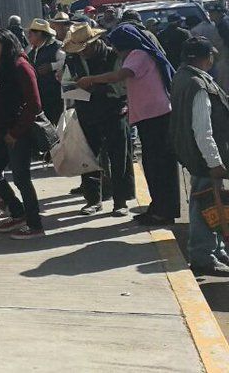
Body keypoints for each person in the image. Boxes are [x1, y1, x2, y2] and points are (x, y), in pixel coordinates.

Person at [78, 24, 179, 226]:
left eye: (116, 45)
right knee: (153, 165)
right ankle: (158, 207)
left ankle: (163, 211)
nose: (114, 50)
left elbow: (118, 76)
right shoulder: (138, 54)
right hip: (150, 117)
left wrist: (91, 79)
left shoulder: (138, 55)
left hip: (155, 118)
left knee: (158, 167)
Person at [169, 37, 229, 276]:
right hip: (205, 159)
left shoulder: (183, 77)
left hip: (194, 155)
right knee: (205, 206)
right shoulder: (197, 84)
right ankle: (203, 256)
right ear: (205, 57)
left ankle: (216, 248)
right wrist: (214, 162)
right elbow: (202, 130)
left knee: (214, 203)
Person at [61, 24, 132, 217]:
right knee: (88, 158)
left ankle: (120, 202)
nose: (82, 53)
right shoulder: (73, 58)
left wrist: (92, 83)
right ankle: (93, 200)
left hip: (113, 112)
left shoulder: (112, 55)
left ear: (95, 43)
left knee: (119, 159)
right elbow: (67, 84)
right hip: (86, 113)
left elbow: (120, 86)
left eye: (85, 48)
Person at [0, 29, 45, 239]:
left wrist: (16, 132)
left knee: (21, 178)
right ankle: (18, 212)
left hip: (18, 131)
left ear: (6, 47)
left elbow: (34, 104)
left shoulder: (21, 66)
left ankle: (35, 225)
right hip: (1, 129)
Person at [26, 18, 65, 125]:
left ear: (39, 34)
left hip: (54, 95)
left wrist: (52, 66)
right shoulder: (31, 50)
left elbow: (65, 62)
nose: (28, 36)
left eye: (31, 33)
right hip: (40, 94)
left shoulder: (57, 46)